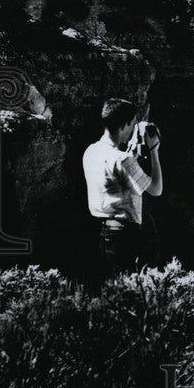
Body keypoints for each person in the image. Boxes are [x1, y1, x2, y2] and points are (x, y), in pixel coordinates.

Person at [82, 98, 163, 276]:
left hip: (103, 231)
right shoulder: (123, 160)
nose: (134, 128)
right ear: (125, 124)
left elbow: (115, 178)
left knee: (114, 291)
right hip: (127, 235)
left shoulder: (91, 151)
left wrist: (132, 151)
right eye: (133, 123)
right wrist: (154, 151)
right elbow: (156, 189)